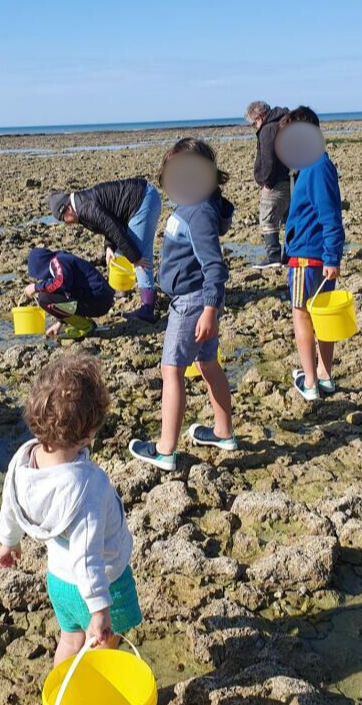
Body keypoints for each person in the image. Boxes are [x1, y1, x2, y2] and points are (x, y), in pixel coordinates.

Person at [0, 353, 141, 666]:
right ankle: (90, 704)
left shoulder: (24, 460)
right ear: (89, 433)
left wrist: (9, 541)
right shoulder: (89, 486)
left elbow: (10, 502)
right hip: (102, 584)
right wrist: (100, 608)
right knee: (101, 649)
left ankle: (59, 687)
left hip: (59, 582)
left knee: (71, 639)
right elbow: (87, 556)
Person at [129, 139, 237, 472]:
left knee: (171, 370)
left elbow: (215, 266)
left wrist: (209, 309)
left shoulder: (201, 212)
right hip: (192, 301)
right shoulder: (191, 207)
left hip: (192, 303)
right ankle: (223, 433)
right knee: (207, 364)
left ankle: (164, 450)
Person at [279, 106, 345, 401]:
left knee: (302, 315)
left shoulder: (316, 166)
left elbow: (331, 217)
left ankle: (310, 382)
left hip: (309, 257)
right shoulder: (312, 165)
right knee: (321, 316)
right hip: (314, 255)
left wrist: (332, 257)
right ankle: (323, 375)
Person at [47, 177, 161, 323]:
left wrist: (135, 258)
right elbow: (110, 219)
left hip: (143, 200)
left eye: (64, 219)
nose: (67, 224)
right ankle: (125, 288)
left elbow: (112, 227)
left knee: (139, 256)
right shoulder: (81, 206)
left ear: (67, 208)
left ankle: (147, 308)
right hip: (138, 200)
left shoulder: (85, 208)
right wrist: (109, 247)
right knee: (123, 251)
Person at [24, 247, 114, 338]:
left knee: (44, 298)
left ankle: (86, 326)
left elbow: (61, 283)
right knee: (50, 293)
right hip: (99, 298)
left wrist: (36, 287)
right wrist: (59, 322)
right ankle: (84, 324)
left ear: (40, 266)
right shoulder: (60, 260)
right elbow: (65, 293)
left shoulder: (58, 262)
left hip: (99, 300)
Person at [245, 100, 291, 269]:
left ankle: (273, 256)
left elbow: (268, 159)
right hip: (291, 178)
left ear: (260, 116)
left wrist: (267, 182)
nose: (254, 127)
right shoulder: (284, 123)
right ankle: (289, 254)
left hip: (277, 181)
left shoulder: (268, 129)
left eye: (254, 123)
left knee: (267, 217)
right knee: (289, 218)